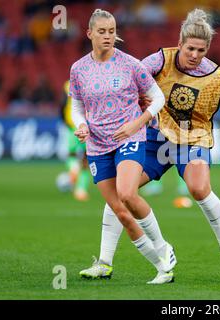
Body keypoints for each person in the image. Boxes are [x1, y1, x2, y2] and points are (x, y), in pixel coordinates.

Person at [80, 8, 220, 280]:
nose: (195, 55)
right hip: (156, 139)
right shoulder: (158, 60)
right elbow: (132, 80)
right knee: (123, 192)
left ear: (208, 49)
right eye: (190, 48)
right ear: (179, 44)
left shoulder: (217, 78)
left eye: (201, 50)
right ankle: (105, 262)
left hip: (193, 137)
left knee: (199, 188)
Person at [70, 9, 176, 284]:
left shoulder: (131, 65)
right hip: (96, 145)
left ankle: (164, 247)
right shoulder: (78, 69)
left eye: (112, 31)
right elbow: (77, 106)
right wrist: (81, 125)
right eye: (102, 31)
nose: (108, 36)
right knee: (120, 211)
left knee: (127, 194)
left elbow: (157, 98)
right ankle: (160, 267)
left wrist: (137, 123)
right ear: (90, 33)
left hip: (129, 138)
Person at [59, 80, 91, 201]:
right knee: (85, 158)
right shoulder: (92, 83)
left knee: (71, 154)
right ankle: (81, 189)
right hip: (86, 126)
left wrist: (64, 121)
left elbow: (62, 105)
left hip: (72, 125)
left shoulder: (67, 85)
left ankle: (73, 170)